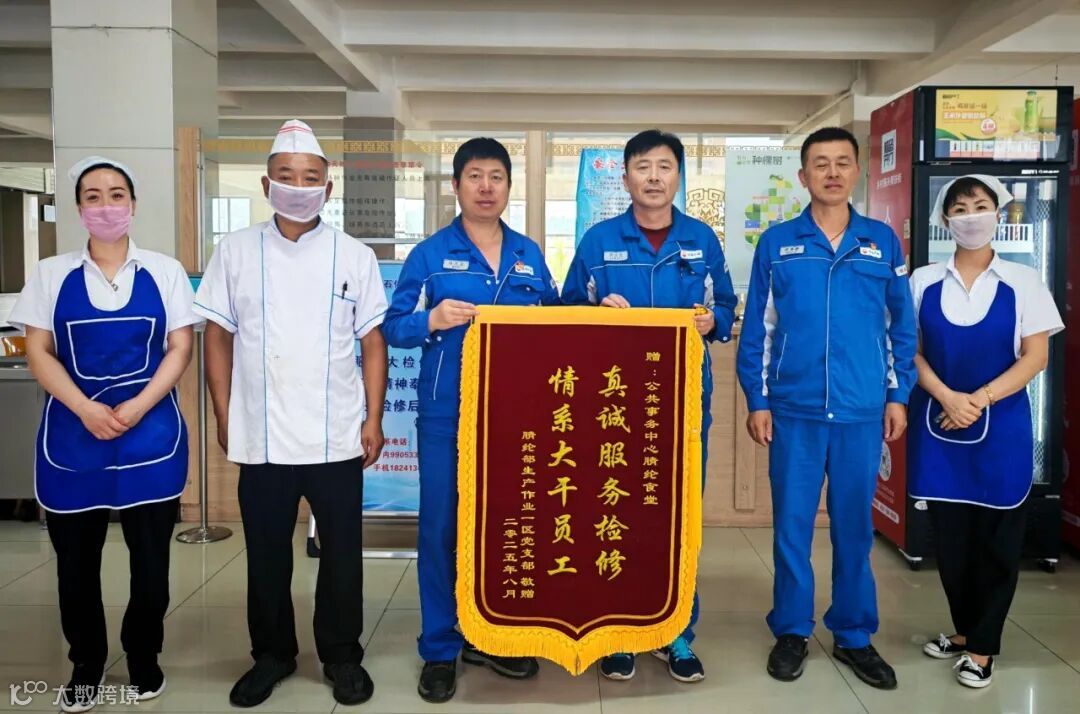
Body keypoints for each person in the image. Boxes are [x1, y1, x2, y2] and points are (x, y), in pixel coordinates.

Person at [194, 120, 389, 707]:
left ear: (328, 188)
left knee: (342, 555)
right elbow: (217, 337)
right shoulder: (235, 251)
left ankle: (342, 655)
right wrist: (225, 413)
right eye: (286, 176)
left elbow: (373, 342)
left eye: (310, 178)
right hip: (262, 433)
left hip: (335, 432)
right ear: (265, 185)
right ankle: (272, 654)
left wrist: (373, 419)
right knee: (266, 554)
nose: (298, 187)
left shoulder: (354, 255)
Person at [9, 157, 200, 712]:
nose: (106, 205)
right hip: (74, 436)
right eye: (93, 196)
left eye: (117, 194)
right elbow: (38, 351)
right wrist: (84, 408)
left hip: (150, 434)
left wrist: (138, 405)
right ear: (79, 209)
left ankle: (143, 655)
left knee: (151, 562)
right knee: (75, 563)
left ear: (133, 204)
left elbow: (180, 347)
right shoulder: (51, 274)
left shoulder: (164, 271)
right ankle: (86, 663)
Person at [736, 127, 917, 690]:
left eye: (842, 162)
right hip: (795, 410)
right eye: (821, 163)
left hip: (862, 410)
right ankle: (792, 630)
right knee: (791, 527)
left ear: (857, 172)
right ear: (803, 176)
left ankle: (854, 634)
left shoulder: (881, 242)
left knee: (855, 529)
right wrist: (758, 399)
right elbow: (759, 330)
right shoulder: (777, 243)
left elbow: (901, 326)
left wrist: (897, 394)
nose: (832, 172)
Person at [382, 137, 559, 703]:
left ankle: (493, 635)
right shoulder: (430, 255)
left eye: (496, 177)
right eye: (475, 176)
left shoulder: (529, 254)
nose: (486, 187)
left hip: (516, 417)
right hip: (446, 414)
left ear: (509, 186)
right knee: (440, 528)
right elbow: (392, 327)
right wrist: (431, 319)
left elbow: (558, 324)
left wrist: (599, 315)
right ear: (456, 186)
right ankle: (440, 647)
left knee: (506, 525)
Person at [561, 129, 738, 684]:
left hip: (683, 405)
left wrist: (712, 321)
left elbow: (727, 305)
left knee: (677, 515)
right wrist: (596, 314)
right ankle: (617, 631)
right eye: (643, 167)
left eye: (665, 167)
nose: (654, 177)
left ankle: (676, 629)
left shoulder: (701, 239)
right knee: (615, 513)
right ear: (626, 177)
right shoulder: (598, 242)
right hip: (613, 405)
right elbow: (565, 311)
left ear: (678, 177)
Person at [910, 175, 1063, 688]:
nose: (971, 215)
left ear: (998, 214)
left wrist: (977, 400)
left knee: (998, 540)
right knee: (952, 541)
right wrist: (948, 397)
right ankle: (963, 630)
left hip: (1001, 429)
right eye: (960, 208)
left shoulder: (1023, 281)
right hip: (940, 422)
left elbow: (1035, 356)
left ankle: (982, 647)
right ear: (945, 220)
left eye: (980, 205)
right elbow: (910, 351)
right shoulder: (923, 281)